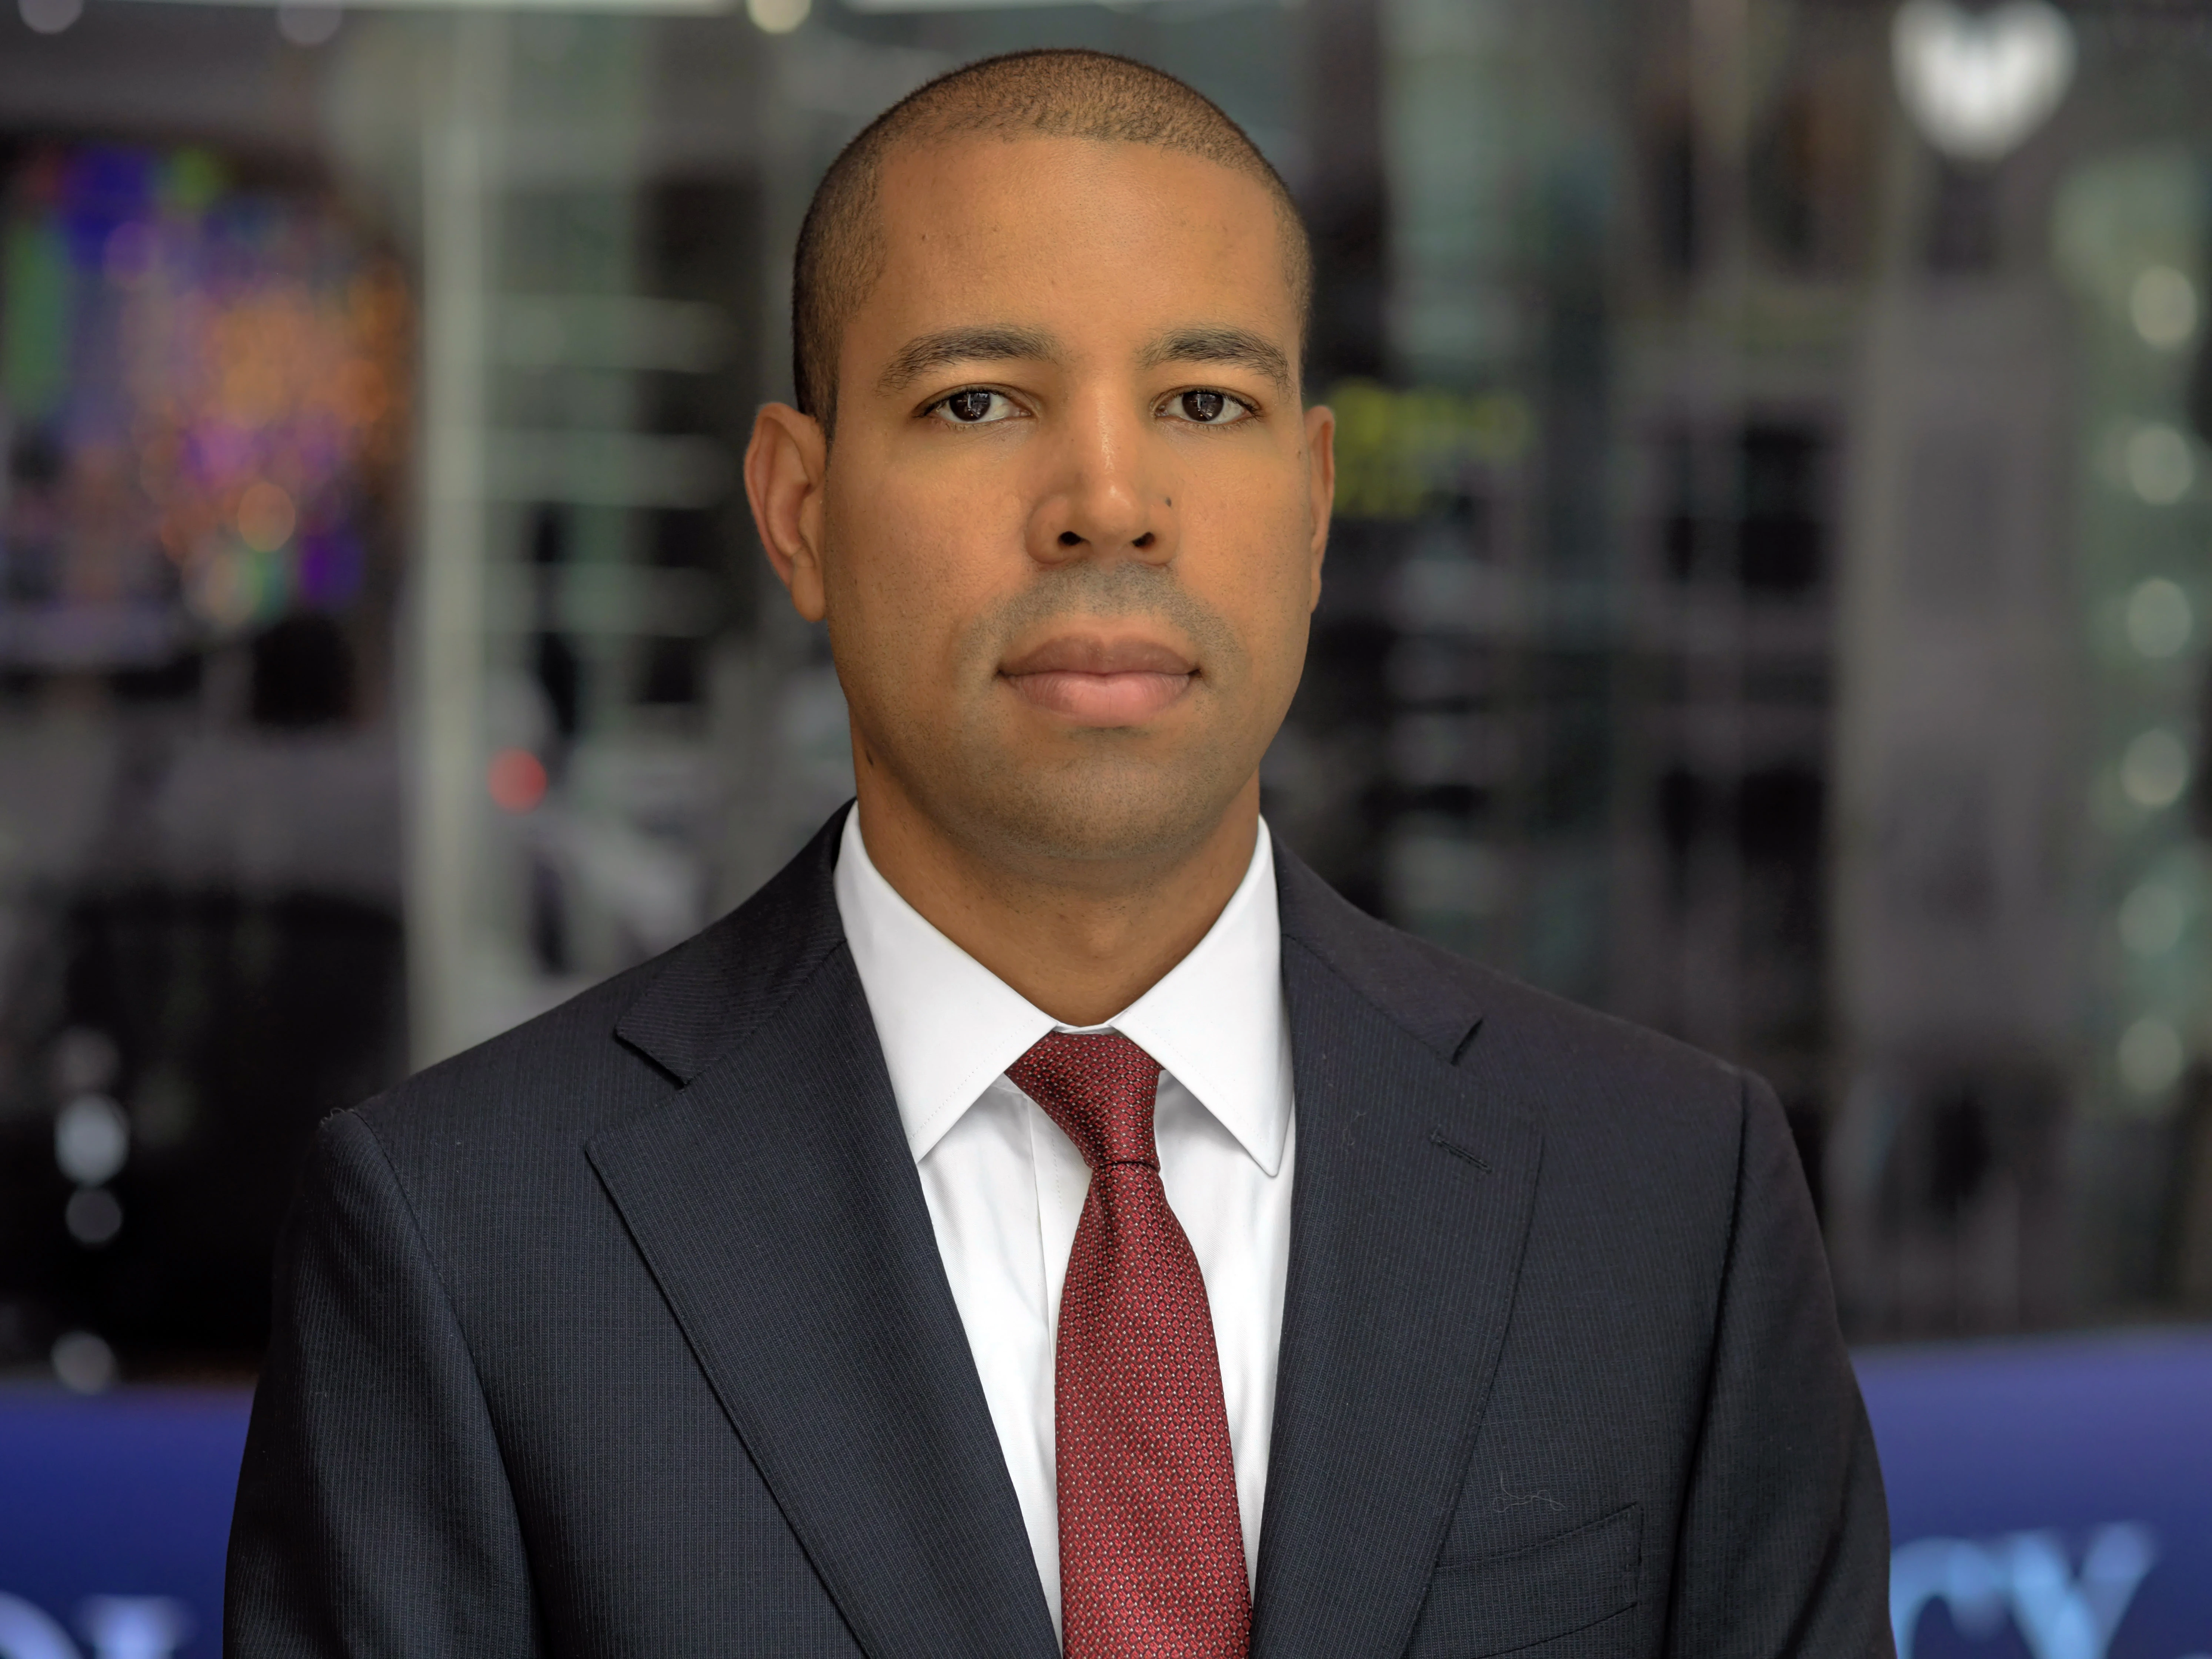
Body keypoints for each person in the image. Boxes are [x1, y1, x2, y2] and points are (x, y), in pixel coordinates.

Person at [227, 48, 1891, 1659]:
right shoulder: (466, 1241)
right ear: (796, 508)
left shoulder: (1668, 1201)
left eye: (1202, 400)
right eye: (975, 399)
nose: (1107, 497)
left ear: (1313, 507)